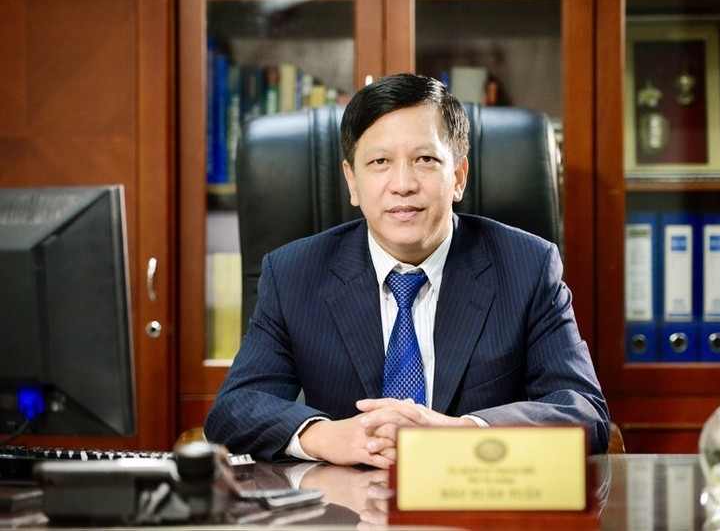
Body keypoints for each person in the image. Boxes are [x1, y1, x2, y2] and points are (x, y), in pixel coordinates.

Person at [204, 72, 610, 469]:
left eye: (425, 160)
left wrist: (462, 432)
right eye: (380, 161)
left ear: (458, 177)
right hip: (343, 502)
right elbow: (234, 410)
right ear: (352, 182)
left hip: (472, 494)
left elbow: (584, 411)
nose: (403, 184)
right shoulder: (294, 274)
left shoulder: (527, 267)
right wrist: (327, 436)